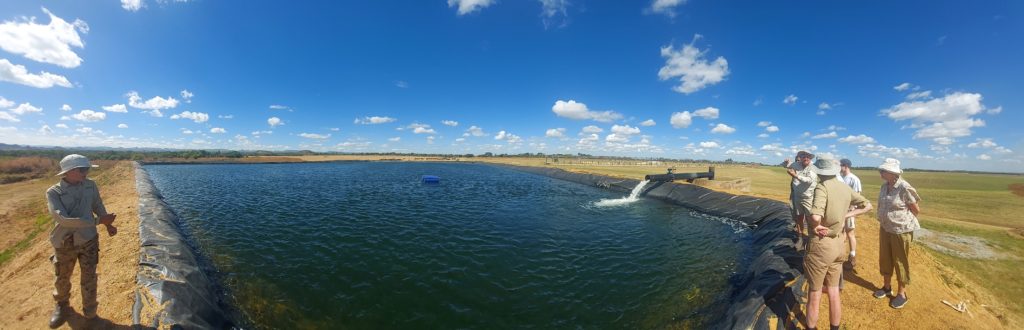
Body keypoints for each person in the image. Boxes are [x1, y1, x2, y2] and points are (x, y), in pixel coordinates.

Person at [45, 154, 117, 328]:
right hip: (64, 242)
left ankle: (91, 314)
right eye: (82, 169)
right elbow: (63, 220)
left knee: (90, 277)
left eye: (87, 169)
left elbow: (97, 205)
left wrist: (108, 225)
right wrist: (99, 221)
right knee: (62, 276)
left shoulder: (90, 185)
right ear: (69, 172)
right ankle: (62, 307)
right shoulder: (54, 192)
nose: (87, 172)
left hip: (89, 240)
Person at [805, 156, 872, 330]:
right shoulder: (844, 187)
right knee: (834, 291)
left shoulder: (822, 187)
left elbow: (815, 217)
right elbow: (867, 206)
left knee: (814, 292)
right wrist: (845, 216)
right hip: (839, 244)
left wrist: (816, 225)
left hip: (821, 245)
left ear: (819, 171)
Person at [873, 158, 921, 309]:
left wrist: (900, 221)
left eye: (883, 171)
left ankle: (902, 294)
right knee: (885, 258)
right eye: (881, 170)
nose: (880, 173)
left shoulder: (904, 187)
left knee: (900, 261)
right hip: (885, 228)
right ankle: (887, 287)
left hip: (901, 231)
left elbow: (916, 210)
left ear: (893, 173)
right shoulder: (884, 186)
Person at [783, 151, 817, 243]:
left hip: (808, 198)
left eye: (807, 157)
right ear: (800, 158)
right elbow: (787, 166)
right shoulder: (796, 164)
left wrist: (795, 176)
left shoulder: (813, 167)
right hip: (797, 196)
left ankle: (811, 239)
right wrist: (785, 163)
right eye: (803, 157)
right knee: (799, 218)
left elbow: (809, 181)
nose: (805, 158)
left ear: (810, 158)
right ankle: (800, 237)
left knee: (810, 219)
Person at [839, 158, 862, 270]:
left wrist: (852, 211)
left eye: (840, 166)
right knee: (841, 232)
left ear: (845, 166)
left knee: (850, 233)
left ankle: (852, 256)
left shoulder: (854, 179)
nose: (839, 168)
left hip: (849, 211)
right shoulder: (841, 178)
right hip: (840, 210)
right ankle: (840, 254)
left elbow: (857, 196)